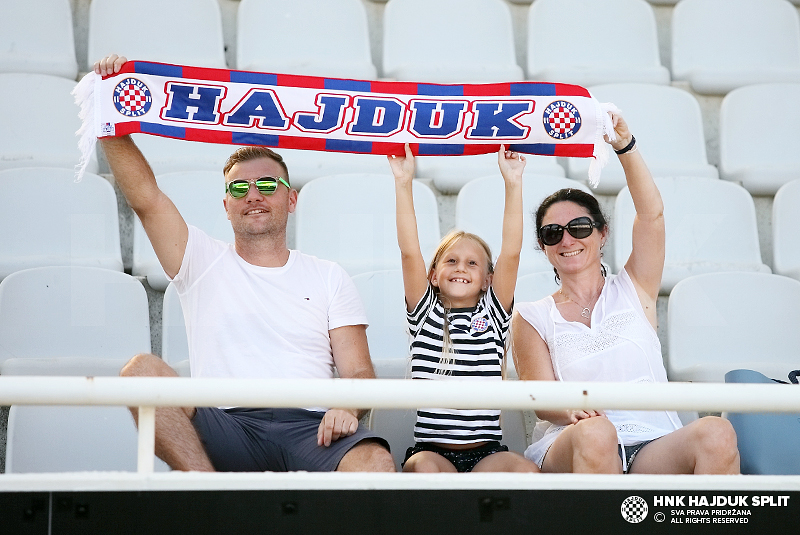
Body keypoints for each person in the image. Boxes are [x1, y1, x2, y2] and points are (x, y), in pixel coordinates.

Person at [94, 55, 395, 473]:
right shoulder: (200, 258)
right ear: (227, 205)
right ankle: (205, 491)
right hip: (226, 424)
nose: (253, 195)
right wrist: (109, 109)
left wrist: (346, 406)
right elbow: (145, 198)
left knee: (375, 461)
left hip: (311, 427)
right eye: (240, 187)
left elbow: (359, 371)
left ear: (291, 200)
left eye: (267, 185)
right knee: (140, 371)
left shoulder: (329, 275)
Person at [511, 113, 740, 475]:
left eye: (579, 227)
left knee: (717, 431)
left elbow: (652, 216)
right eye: (553, 233)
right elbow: (540, 399)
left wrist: (625, 146)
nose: (567, 240)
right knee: (597, 433)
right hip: (574, 438)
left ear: (602, 234)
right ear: (543, 246)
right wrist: (572, 411)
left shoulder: (635, 287)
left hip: (655, 442)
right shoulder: (532, 315)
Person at [388, 143, 539, 473]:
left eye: (472, 263)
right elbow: (409, 252)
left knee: (525, 472)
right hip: (432, 452)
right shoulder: (425, 312)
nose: (460, 268)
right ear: (433, 274)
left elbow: (511, 254)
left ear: (487, 279)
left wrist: (513, 183)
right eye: (451, 261)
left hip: (487, 453)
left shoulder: (493, 313)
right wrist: (403, 183)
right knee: (426, 472)